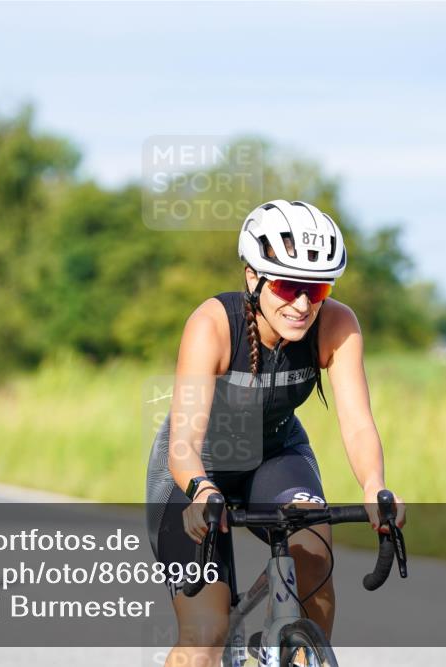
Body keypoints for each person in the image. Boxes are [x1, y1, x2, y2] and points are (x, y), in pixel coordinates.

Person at [145, 199, 406, 666]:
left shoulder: (337, 323)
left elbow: (358, 421)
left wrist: (374, 487)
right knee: (205, 634)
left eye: (317, 287)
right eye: (287, 285)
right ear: (253, 277)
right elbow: (183, 443)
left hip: (277, 453)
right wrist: (200, 489)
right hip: (197, 465)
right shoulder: (212, 325)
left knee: (314, 559)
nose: (303, 304)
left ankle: (298, 651)